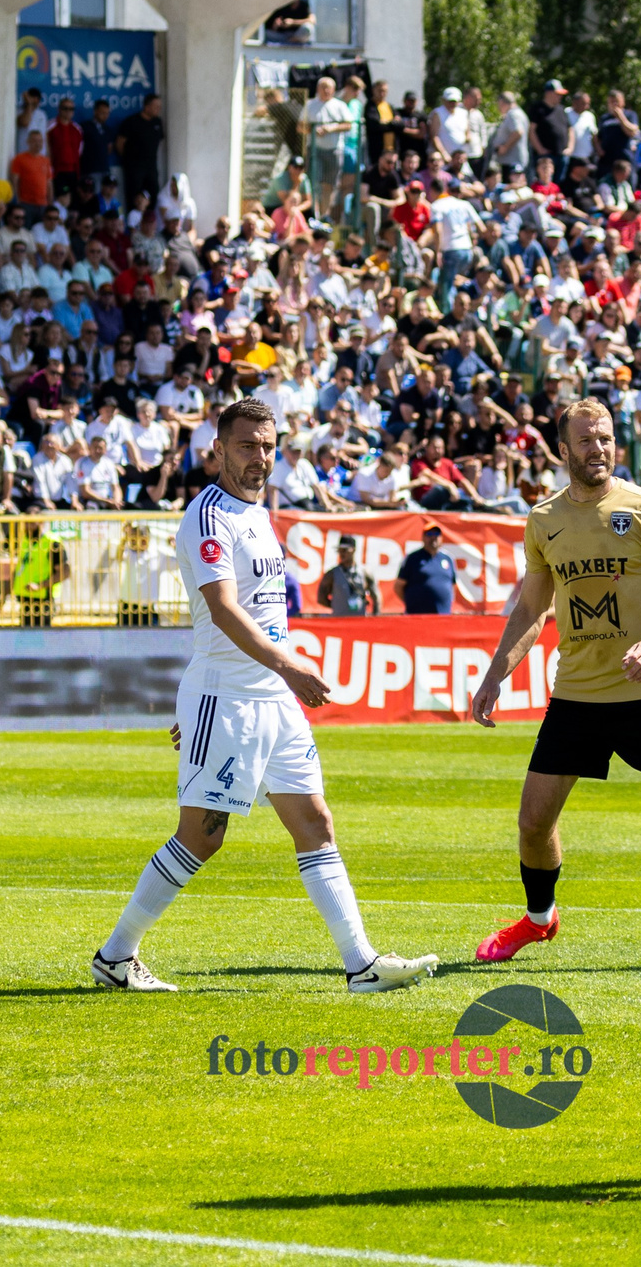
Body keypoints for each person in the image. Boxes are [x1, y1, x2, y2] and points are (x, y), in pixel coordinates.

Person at [90, 399, 437, 995]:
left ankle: (361, 963)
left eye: (268, 446)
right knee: (203, 835)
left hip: (271, 698)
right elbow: (222, 608)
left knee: (315, 821)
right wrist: (284, 669)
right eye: (247, 446)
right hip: (227, 693)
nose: (260, 458)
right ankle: (116, 955)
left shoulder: (257, 511)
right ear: (218, 450)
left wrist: (280, 676)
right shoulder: (208, 516)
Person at [469, 400, 641, 968]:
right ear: (562, 450)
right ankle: (539, 922)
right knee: (533, 822)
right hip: (578, 696)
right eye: (586, 441)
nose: (599, 449)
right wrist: (495, 675)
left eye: (606, 439)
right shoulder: (544, 519)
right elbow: (531, 608)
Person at [396, 524, 456, 614]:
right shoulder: (413, 558)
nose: (433, 537)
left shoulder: (448, 558)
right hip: (417, 615)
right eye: (429, 534)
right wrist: (411, 602)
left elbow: (452, 585)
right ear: (423, 537)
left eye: (436, 534)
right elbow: (398, 586)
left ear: (441, 538)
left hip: (443, 616)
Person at [319, 535, 378, 614]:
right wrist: (338, 606)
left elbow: (376, 598)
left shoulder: (364, 572)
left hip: (360, 621)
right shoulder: (332, 574)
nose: (341, 554)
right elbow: (321, 598)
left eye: (345, 550)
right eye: (339, 550)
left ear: (353, 550)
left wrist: (376, 617)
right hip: (339, 622)